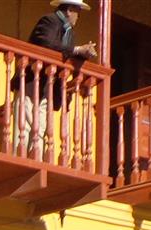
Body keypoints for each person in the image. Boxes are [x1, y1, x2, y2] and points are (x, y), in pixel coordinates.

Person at [15, 0, 98, 158]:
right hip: (33, 79)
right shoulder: (49, 21)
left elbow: (67, 55)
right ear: (69, 10)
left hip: (49, 85)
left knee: (40, 125)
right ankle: (22, 158)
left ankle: (36, 158)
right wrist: (77, 49)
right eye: (77, 11)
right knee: (26, 123)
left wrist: (83, 54)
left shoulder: (69, 32)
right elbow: (46, 44)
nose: (78, 16)